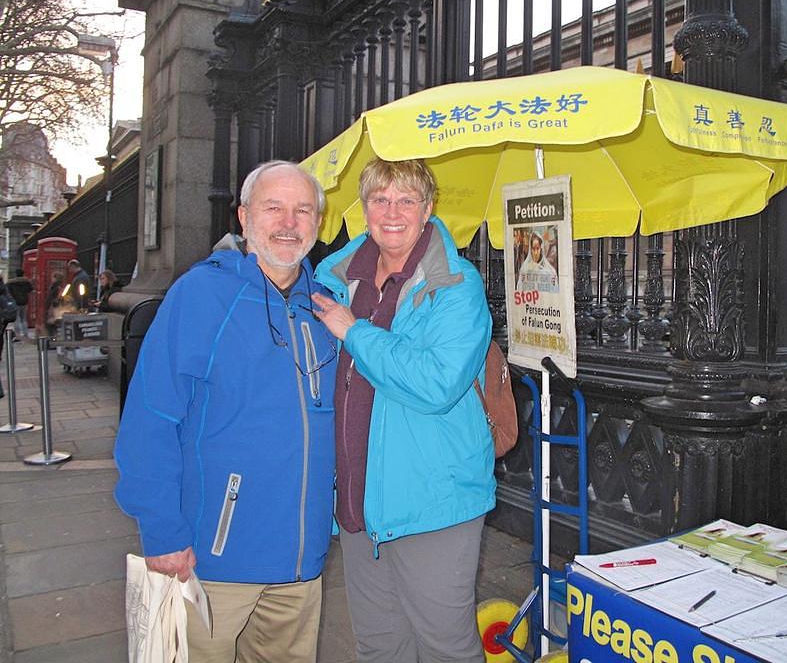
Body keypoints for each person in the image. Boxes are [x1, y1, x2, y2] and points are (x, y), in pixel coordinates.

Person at [114, 160, 337, 662]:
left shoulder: (326, 307)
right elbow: (150, 419)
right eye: (273, 208)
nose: (289, 223)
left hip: (301, 564)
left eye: (303, 210)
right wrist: (162, 530)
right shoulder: (200, 295)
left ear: (318, 222)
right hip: (213, 560)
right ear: (244, 216)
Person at [312, 157, 494, 663]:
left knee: (445, 648)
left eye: (406, 200)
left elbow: (437, 384)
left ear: (427, 208)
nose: (392, 212)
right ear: (364, 207)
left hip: (430, 499)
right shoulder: (337, 280)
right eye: (380, 199)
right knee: (379, 647)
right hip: (357, 499)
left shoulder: (455, 285)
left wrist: (355, 332)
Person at [6, 269, 33, 340]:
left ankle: (17, 335)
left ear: (16, 274)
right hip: (24, 302)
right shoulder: (27, 282)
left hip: (15, 302)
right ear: (23, 274)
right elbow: (30, 290)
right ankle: (25, 334)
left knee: (16, 319)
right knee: (23, 318)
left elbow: (7, 292)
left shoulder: (10, 283)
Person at [45, 272, 64, 337]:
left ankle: (53, 340)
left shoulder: (56, 287)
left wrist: (50, 306)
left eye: (53, 277)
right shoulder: (55, 286)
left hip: (53, 308)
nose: (51, 279)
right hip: (53, 307)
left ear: (56, 278)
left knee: (51, 324)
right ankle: (53, 339)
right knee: (52, 325)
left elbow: (56, 298)